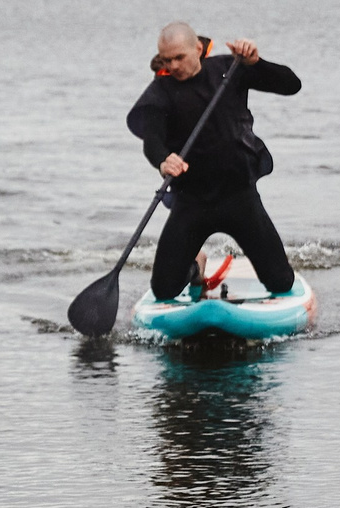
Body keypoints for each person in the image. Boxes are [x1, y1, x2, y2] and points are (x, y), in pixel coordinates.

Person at [125, 21, 302, 306]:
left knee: (281, 282)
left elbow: (291, 85)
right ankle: (196, 266)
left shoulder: (229, 70)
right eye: (166, 60)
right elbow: (152, 139)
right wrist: (162, 160)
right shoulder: (161, 91)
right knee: (164, 290)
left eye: (179, 57)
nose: (173, 66)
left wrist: (256, 63)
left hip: (239, 197)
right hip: (191, 201)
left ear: (198, 48)